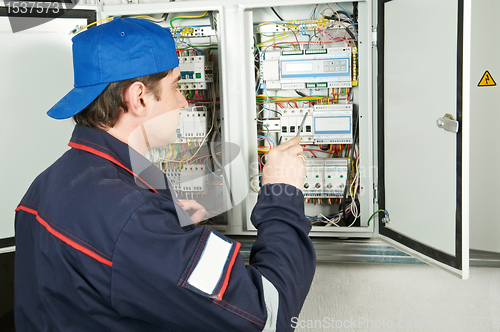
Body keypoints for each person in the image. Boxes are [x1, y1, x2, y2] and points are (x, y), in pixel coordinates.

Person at [14, 17, 316, 331]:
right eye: (176, 86)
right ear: (139, 97)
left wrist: (170, 229)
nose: (184, 101)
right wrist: (283, 194)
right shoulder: (135, 222)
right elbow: (267, 313)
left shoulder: (44, 186)